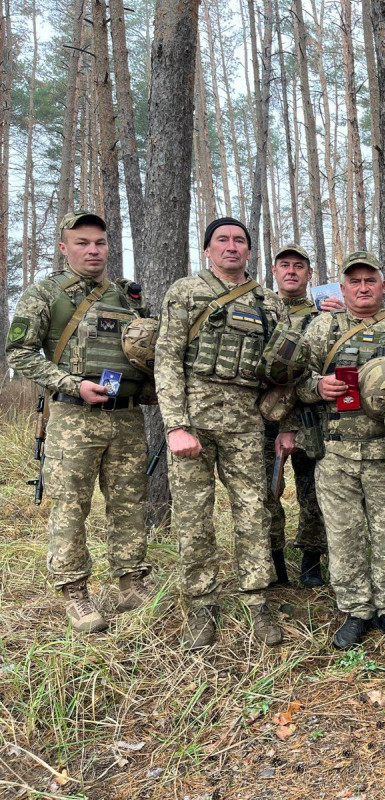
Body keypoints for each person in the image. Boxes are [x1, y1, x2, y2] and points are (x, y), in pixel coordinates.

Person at [6, 211, 153, 632]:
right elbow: (18, 353)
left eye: (100, 243)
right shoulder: (45, 294)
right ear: (64, 247)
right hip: (73, 416)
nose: (93, 250)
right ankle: (75, 590)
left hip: (126, 418)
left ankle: (130, 580)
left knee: (129, 504)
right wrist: (70, 382)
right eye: (83, 243)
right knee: (72, 506)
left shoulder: (127, 296)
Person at [155, 216, 287, 649]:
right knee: (194, 520)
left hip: (246, 425)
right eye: (222, 240)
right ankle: (202, 604)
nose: (232, 247)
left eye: (240, 241)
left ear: (249, 251)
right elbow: (168, 359)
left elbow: (281, 368)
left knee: (253, 513)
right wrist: (175, 424)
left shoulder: (269, 302)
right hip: (192, 424)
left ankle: (257, 600)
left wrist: (277, 410)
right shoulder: (187, 292)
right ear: (208, 249)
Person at [297, 251, 385, 650]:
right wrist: (317, 387)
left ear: (384, 286)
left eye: (371, 280)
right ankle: (356, 611)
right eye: (355, 281)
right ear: (343, 287)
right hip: (335, 454)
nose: (363, 287)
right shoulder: (323, 328)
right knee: (344, 537)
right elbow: (295, 381)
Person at [263, 244, 331, 588]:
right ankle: (275, 564)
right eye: (284, 265)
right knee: (266, 492)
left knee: (313, 492)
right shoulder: (260, 307)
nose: (291, 271)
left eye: (299, 266)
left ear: (309, 274)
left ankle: (310, 561)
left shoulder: (322, 313)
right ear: (274, 271)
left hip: (308, 417)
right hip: (262, 418)